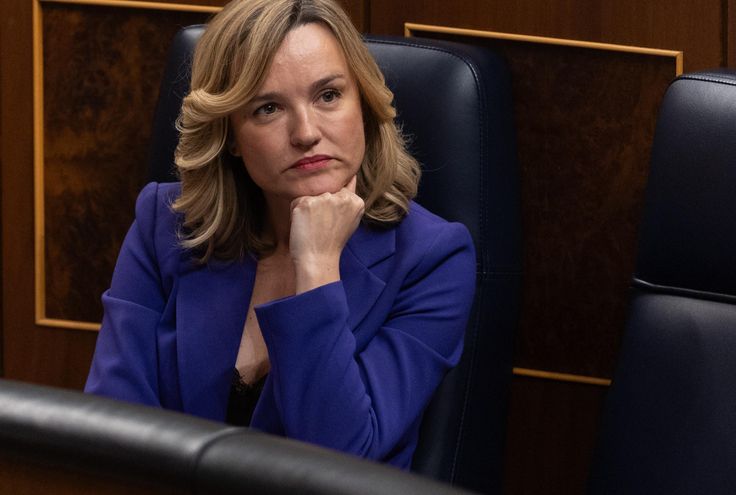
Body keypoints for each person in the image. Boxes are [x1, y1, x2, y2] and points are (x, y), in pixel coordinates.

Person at [84, 0, 475, 469]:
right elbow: (109, 431)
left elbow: (340, 458)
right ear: (229, 133)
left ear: (365, 106)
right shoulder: (163, 224)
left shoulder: (433, 259)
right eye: (268, 108)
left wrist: (316, 269)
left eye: (328, 95)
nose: (307, 132)